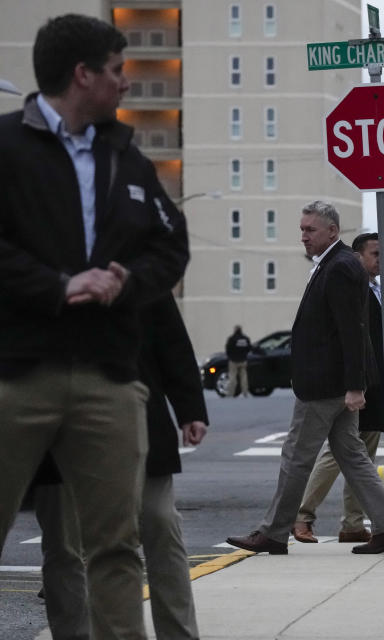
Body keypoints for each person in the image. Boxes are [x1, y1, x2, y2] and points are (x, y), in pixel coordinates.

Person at [0, 13, 188, 640]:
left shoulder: (125, 156)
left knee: (117, 547)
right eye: (116, 71)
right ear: (82, 75)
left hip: (111, 379)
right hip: (16, 374)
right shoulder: (7, 147)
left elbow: (171, 245)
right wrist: (59, 287)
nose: (126, 84)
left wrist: (126, 280)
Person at [226, 202, 384, 555]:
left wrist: (356, 385)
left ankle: (273, 533)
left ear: (332, 232)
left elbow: (352, 331)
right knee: (353, 455)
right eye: (302, 229)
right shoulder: (334, 265)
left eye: (310, 229)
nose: (303, 236)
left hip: (326, 386)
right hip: (334, 384)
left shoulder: (339, 267)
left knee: (296, 457)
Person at [35, 292, 209, 640]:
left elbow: (171, 337)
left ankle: (178, 633)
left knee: (159, 522)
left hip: (135, 414)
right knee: (63, 542)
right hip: (53, 422)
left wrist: (190, 408)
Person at [292, 232, 384, 544]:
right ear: (357, 257)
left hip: (373, 385)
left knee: (363, 456)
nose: (380, 260)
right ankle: (302, 517)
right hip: (357, 386)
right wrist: (355, 385)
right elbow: (353, 340)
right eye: (375, 254)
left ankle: (353, 524)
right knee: (340, 454)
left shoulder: (375, 289)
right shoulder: (353, 288)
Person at [225, 325, 252, 397]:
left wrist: (230, 357)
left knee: (232, 378)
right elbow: (249, 348)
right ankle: (245, 393)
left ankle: (230, 394)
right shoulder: (245, 338)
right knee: (244, 378)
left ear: (235, 330)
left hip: (233, 361)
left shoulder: (232, 339)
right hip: (243, 360)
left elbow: (228, 349)